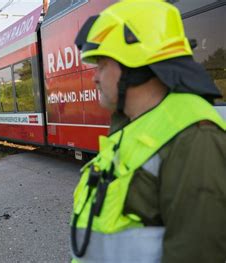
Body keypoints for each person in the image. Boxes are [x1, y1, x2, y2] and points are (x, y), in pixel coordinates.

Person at [70, 0, 226, 262]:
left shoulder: (195, 137)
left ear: (134, 63)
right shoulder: (134, 125)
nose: (95, 77)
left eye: (102, 65)